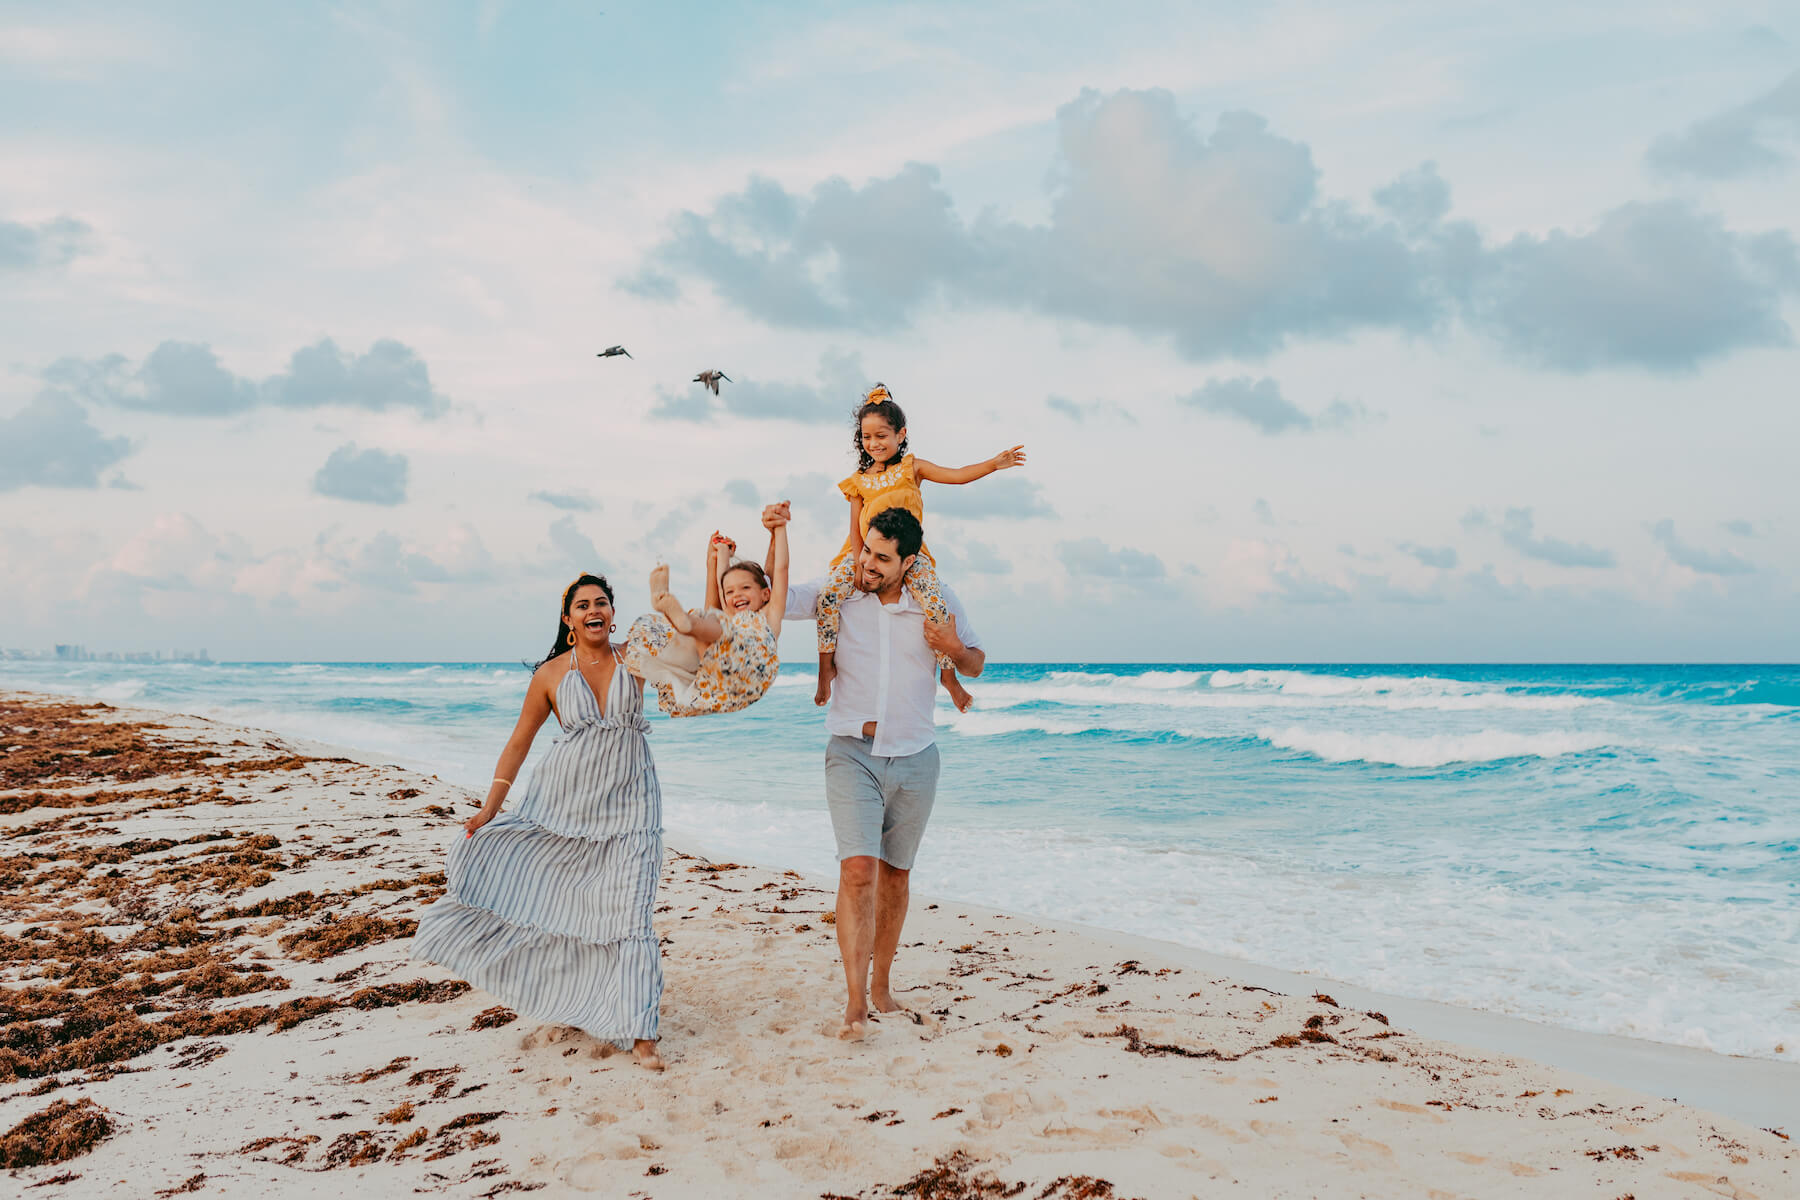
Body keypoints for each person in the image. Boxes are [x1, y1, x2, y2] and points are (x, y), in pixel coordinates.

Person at [411, 573, 666, 1071]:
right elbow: (519, 742)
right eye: (583, 605)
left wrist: (711, 563)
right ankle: (576, 997)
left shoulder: (636, 654)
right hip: (564, 808)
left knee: (632, 913)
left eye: (603, 603)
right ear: (568, 619)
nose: (595, 610)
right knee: (566, 906)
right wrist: (490, 808)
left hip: (634, 805)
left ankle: (642, 1032)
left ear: (613, 612)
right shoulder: (550, 675)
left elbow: (691, 632)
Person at [765, 501, 986, 1040]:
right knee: (858, 871)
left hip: (916, 757)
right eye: (867, 550)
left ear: (908, 562)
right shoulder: (841, 589)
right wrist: (774, 534)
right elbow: (776, 595)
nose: (869, 564)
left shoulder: (936, 599)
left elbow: (977, 661)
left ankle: (882, 985)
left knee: (896, 876)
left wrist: (952, 646)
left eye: (883, 558)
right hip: (852, 754)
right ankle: (854, 1002)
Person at [814, 383, 1023, 713]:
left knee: (937, 606)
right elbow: (854, 528)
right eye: (867, 437)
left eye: (881, 435)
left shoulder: (912, 468)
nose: (874, 444)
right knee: (827, 597)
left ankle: (949, 678)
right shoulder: (857, 481)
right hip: (864, 555)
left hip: (910, 556)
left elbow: (956, 476)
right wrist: (857, 563)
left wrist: (993, 464)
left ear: (900, 434)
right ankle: (826, 669)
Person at [623, 521, 789, 718]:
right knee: (708, 619)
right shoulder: (729, 615)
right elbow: (721, 581)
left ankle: (687, 623)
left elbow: (781, 569)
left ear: (765, 594)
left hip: (753, 669)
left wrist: (780, 527)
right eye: (730, 591)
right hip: (719, 683)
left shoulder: (770, 612)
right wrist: (719, 552)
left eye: (745, 588)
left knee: (711, 618)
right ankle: (684, 623)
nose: (737, 595)